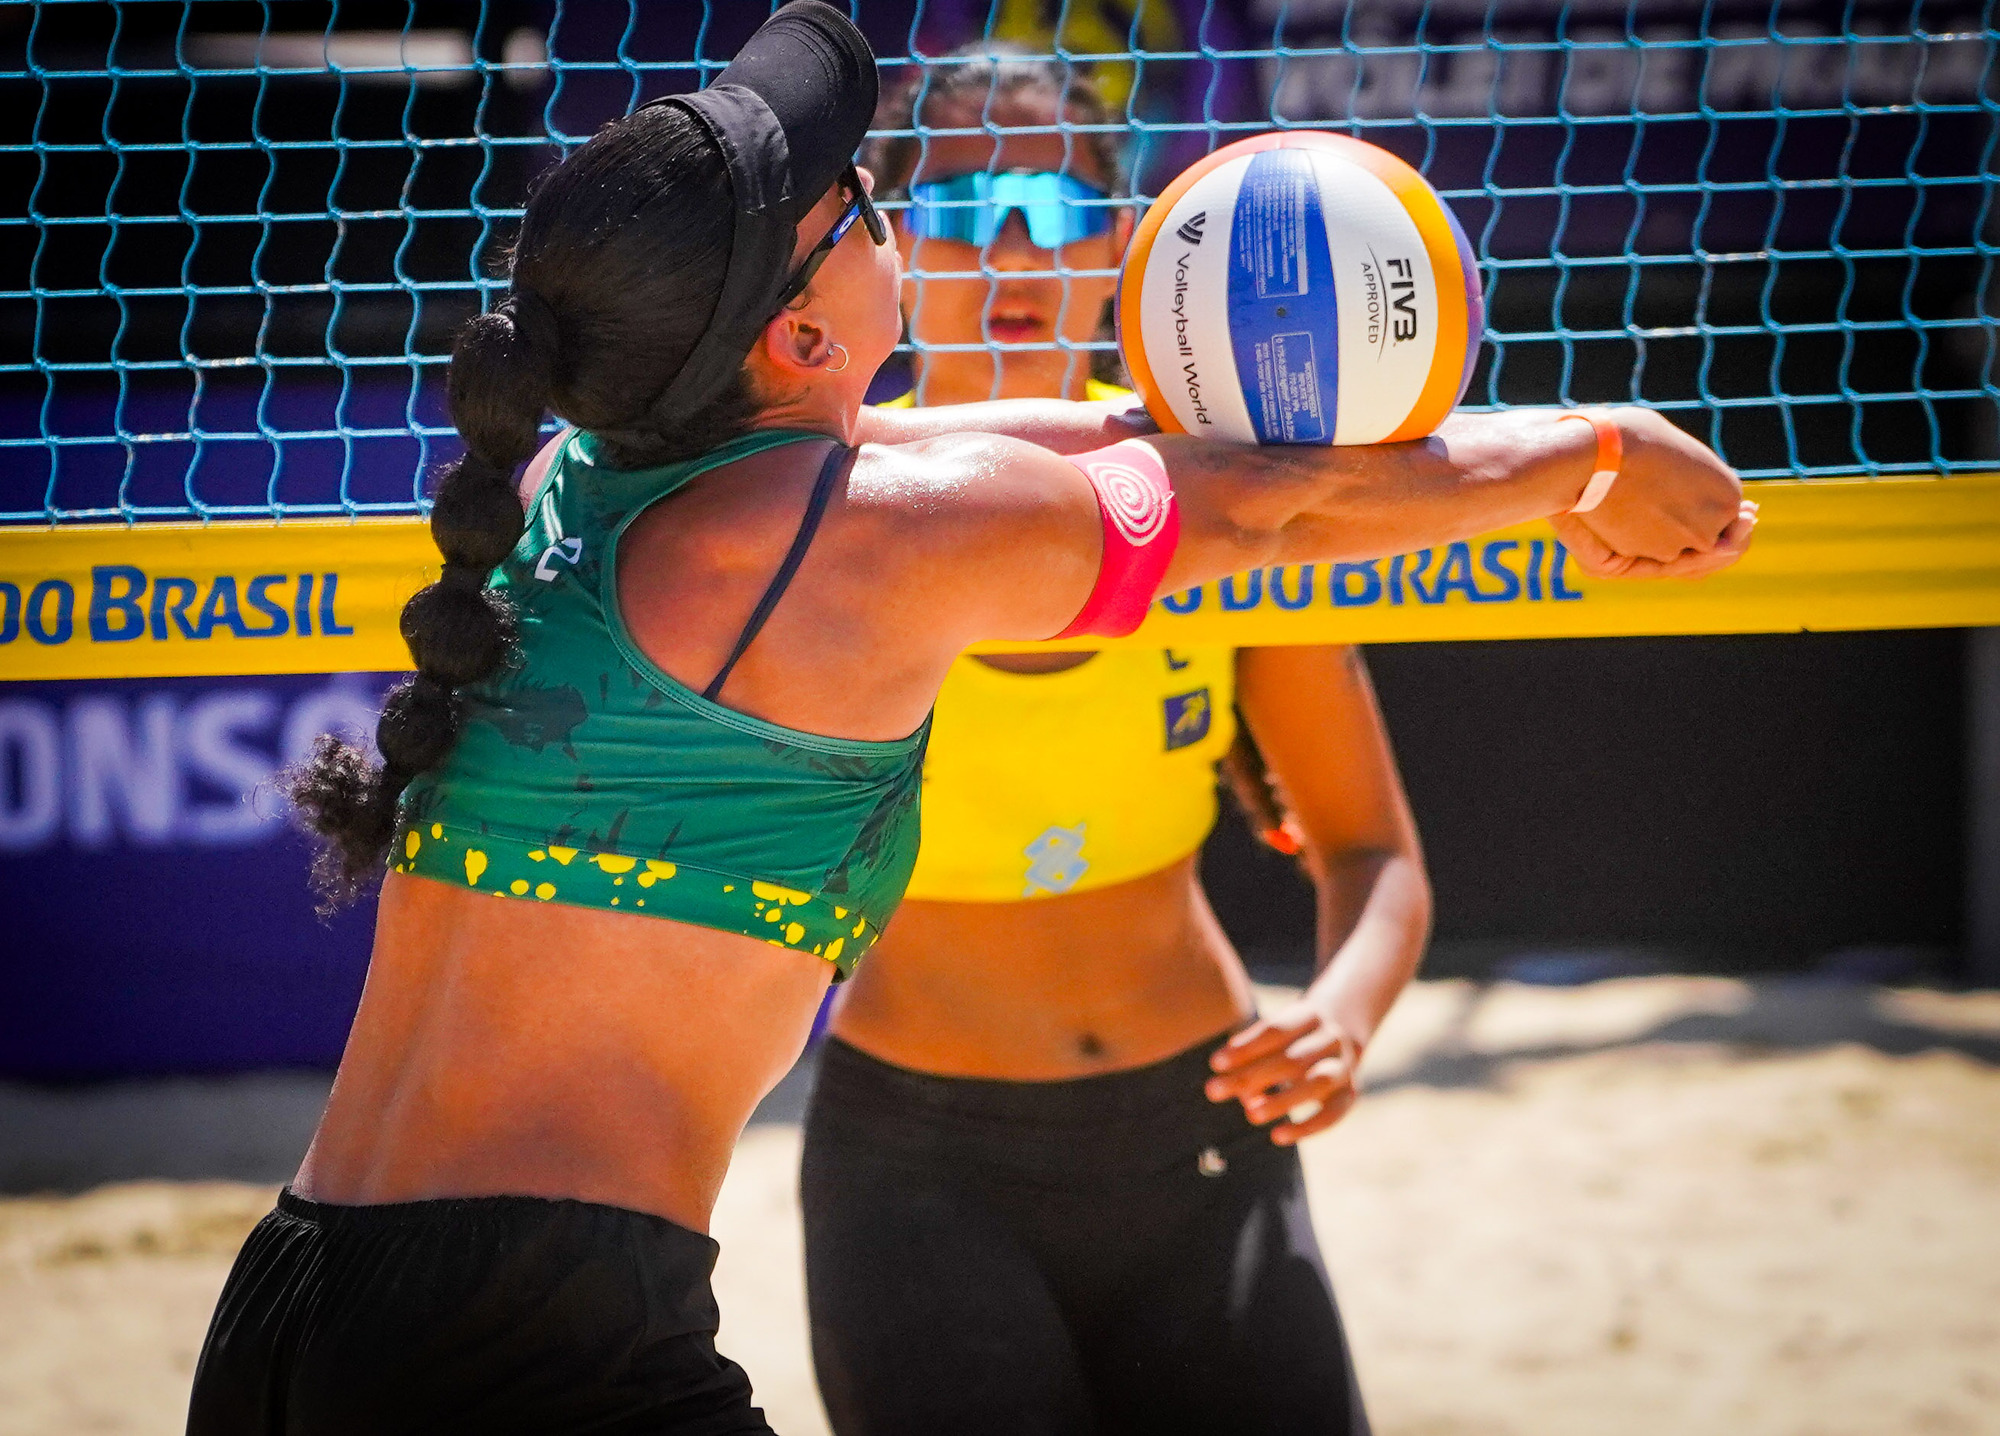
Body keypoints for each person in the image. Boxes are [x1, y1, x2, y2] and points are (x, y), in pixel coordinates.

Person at [185, 6, 1752, 1433]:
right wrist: (1597, 452)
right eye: (858, 207)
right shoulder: (868, 539)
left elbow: (1100, 434)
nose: (877, 197)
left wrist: (1563, 452)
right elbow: (1271, 509)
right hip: (526, 1348)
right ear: (801, 339)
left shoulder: (587, 474)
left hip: (301, 1302)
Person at [801, 50, 1412, 1436]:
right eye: (968, 210)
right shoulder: (820, 513)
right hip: (916, 1169)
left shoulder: (1232, 501)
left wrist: (1342, 1015)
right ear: (893, 250)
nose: (1016, 252)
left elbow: (1374, 853)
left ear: (1126, 246)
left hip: (1207, 1133)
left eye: (1059, 209)